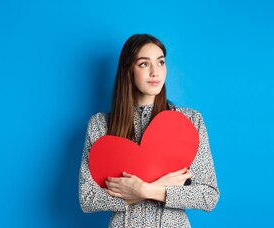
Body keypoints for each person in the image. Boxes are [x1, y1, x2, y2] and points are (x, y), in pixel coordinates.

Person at [78, 34, 219, 227]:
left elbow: (208, 196)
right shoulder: (100, 125)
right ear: (128, 70)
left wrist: (145, 190)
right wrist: (160, 184)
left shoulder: (190, 120)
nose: (155, 72)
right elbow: (88, 199)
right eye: (144, 64)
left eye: (161, 62)